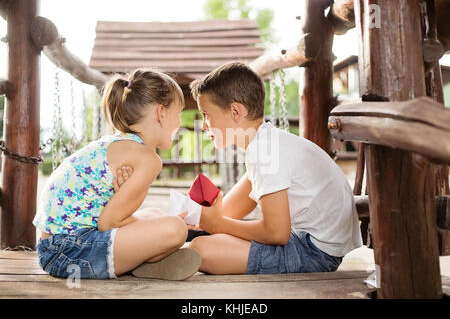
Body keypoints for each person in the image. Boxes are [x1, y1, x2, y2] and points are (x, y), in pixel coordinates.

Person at [186, 61, 363, 275]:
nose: (203, 125)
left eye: (206, 114)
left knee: (200, 249)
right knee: (210, 238)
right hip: (314, 245)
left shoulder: (263, 151)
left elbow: (276, 233)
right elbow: (227, 213)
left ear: (235, 111)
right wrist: (199, 221)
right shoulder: (266, 143)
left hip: (314, 252)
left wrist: (217, 225)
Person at [33, 69, 201, 280]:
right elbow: (109, 224)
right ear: (161, 113)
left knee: (156, 214)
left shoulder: (117, 142)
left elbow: (109, 218)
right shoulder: (148, 159)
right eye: (178, 114)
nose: (179, 122)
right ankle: (144, 260)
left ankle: (143, 264)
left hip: (55, 247)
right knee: (175, 229)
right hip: (70, 252)